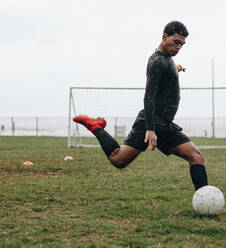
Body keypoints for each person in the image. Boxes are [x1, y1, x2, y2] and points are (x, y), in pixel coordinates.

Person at [73, 21, 208, 191]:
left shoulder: (166, 60)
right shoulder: (157, 62)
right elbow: (149, 97)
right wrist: (150, 129)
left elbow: (167, 68)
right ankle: (96, 127)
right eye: (176, 42)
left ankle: (205, 200)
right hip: (152, 121)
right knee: (118, 160)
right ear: (164, 37)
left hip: (163, 123)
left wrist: (177, 68)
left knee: (196, 157)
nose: (179, 47)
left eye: (182, 44)